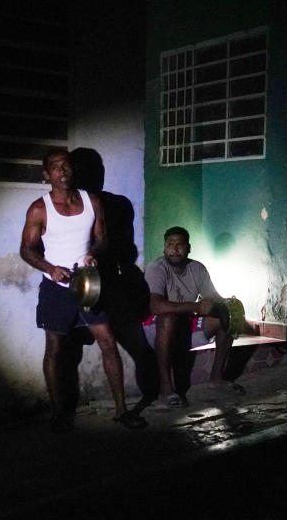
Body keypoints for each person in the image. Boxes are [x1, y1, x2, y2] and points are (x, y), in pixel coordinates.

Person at [19, 149, 146, 431]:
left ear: (73, 170)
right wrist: (49, 268)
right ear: (46, 175)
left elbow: (102, 239)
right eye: (55, 167)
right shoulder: (39, 209)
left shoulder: (93, 202)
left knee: (108, 342)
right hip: (56, 287)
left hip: (90, 284)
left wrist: (94, 254)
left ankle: (122, 410)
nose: (62, 171)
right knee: (56, 349)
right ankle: (58, 414)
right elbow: (26, 250)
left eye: (66, 166)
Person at [142, 226, 244, 407]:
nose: (174, 248)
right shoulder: (156, 267)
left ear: (188, 248)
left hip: (185, 326)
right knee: (168, 317)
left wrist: (225, 305)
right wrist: (196, 306)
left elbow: (213, 298)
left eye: (179, 244)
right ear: (164, 248)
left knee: (226, 315)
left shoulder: (197, 268)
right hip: (155, 329)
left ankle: (216, 379)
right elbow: (155, 306)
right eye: (170, 244)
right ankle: (166, 389)